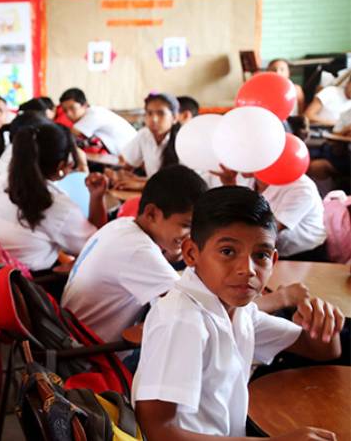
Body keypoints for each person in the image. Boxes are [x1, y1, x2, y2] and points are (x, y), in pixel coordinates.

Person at [133, 186, 344, 440]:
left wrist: (323, 322)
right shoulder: (183, 320)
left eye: (261, 255)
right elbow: (157, 430)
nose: (248, 269)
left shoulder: (239, 311)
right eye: (227, 252)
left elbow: (323, 351)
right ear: (191, 253)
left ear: (273, 261)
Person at [61, 165, 207, 344]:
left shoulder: (122, 225)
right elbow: (191, 304)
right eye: (186, 225)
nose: (191, 235)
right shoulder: (137, 250)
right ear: (151, 213)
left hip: (72, 338)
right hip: (93, 353)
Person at [0, 123, 108, 282]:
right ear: (61, 165)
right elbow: (96, 247)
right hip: (31, 286)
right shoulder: (55, 205)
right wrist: (97, 197)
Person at [119, 93, 181, 179]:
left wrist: (139, 183)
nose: (154, 119)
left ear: (174, 118)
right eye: (149, 113)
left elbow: (179, 182)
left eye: (161, 113)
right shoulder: (144, 135)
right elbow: (128, 167)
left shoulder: (182, 140)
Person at [59, 87, 136, 155]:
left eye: (72, 108)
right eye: (65, 110)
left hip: (133, 156)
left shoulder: (93, 114)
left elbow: (67, 136)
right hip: (126, 155)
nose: (68, 114)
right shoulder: (94, 112)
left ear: (85, 105)